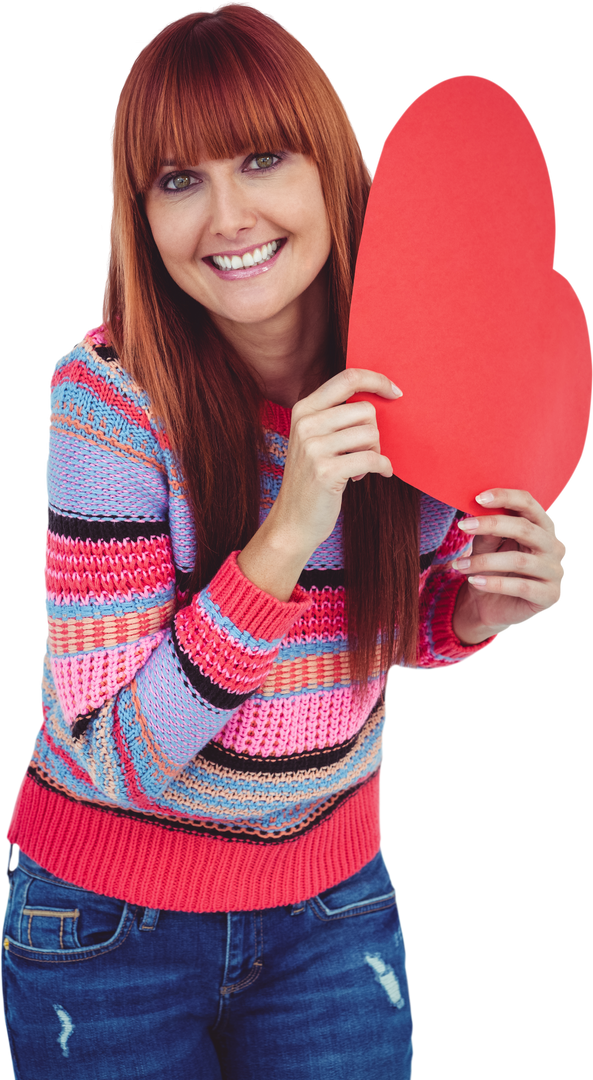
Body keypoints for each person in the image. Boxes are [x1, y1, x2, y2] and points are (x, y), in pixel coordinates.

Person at [0, 4, 568, 1078]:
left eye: (262, 158)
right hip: (104, 925)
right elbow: (120, 757)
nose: (226, 214)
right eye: (178, 179)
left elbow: (370, 631)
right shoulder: (107, 404)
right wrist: (286, 527)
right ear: (139, 213)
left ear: (332, 173)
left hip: (329, 905)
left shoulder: (423, 362)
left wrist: (465, 612)